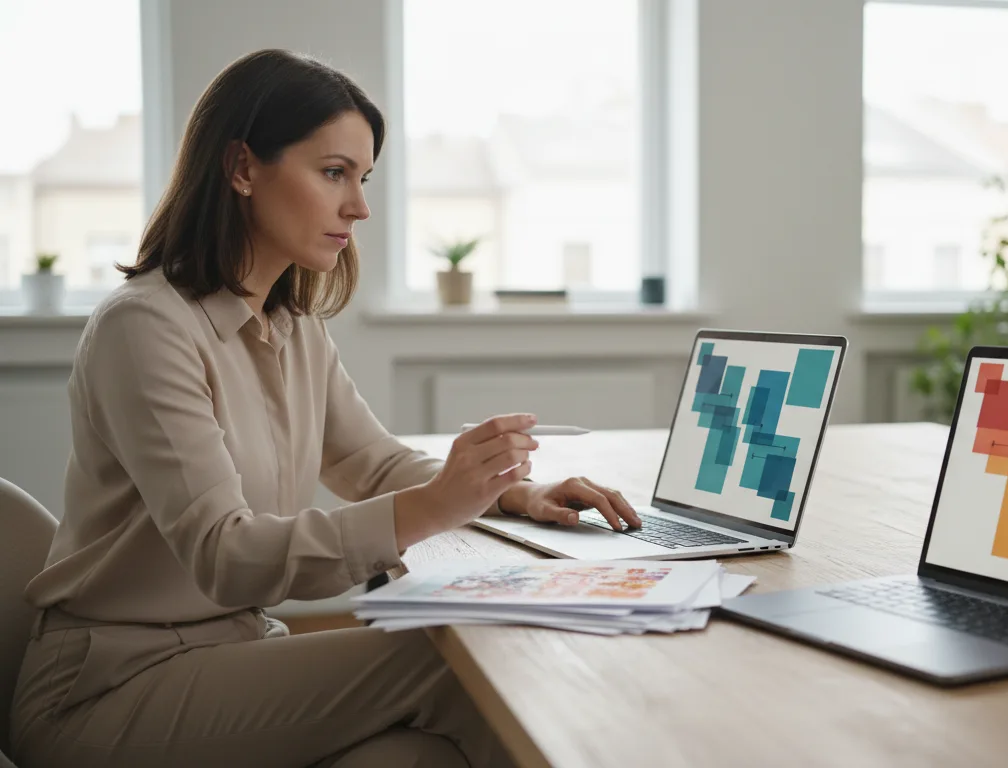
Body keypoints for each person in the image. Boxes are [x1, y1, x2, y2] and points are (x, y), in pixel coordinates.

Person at [9, 48, 643, 768]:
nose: (359, 206)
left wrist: (511, 492)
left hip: (229, 651)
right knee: (463, 660)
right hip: (109, 689)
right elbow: (227, 557)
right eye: (333, 172)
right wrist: (435, 505)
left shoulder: (291, 326)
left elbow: (371, 462)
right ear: (242, 167)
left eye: (363, 177)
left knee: (421, 756)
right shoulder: (145, 328)